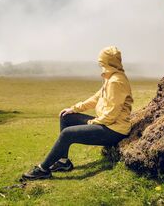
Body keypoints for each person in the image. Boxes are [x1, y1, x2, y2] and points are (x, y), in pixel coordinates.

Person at [22, 46, 133, 180]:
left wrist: (92, 123)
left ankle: (42, 169)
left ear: (107, 62)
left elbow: (111, 115)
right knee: (67, 117)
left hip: (114, 130)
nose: (99, 64)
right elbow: (96, 98)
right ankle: (64, 162)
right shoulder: (110, 78)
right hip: (106, 123)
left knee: (67, 134)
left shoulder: (116, 82)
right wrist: (74, 109)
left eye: (101, 61)